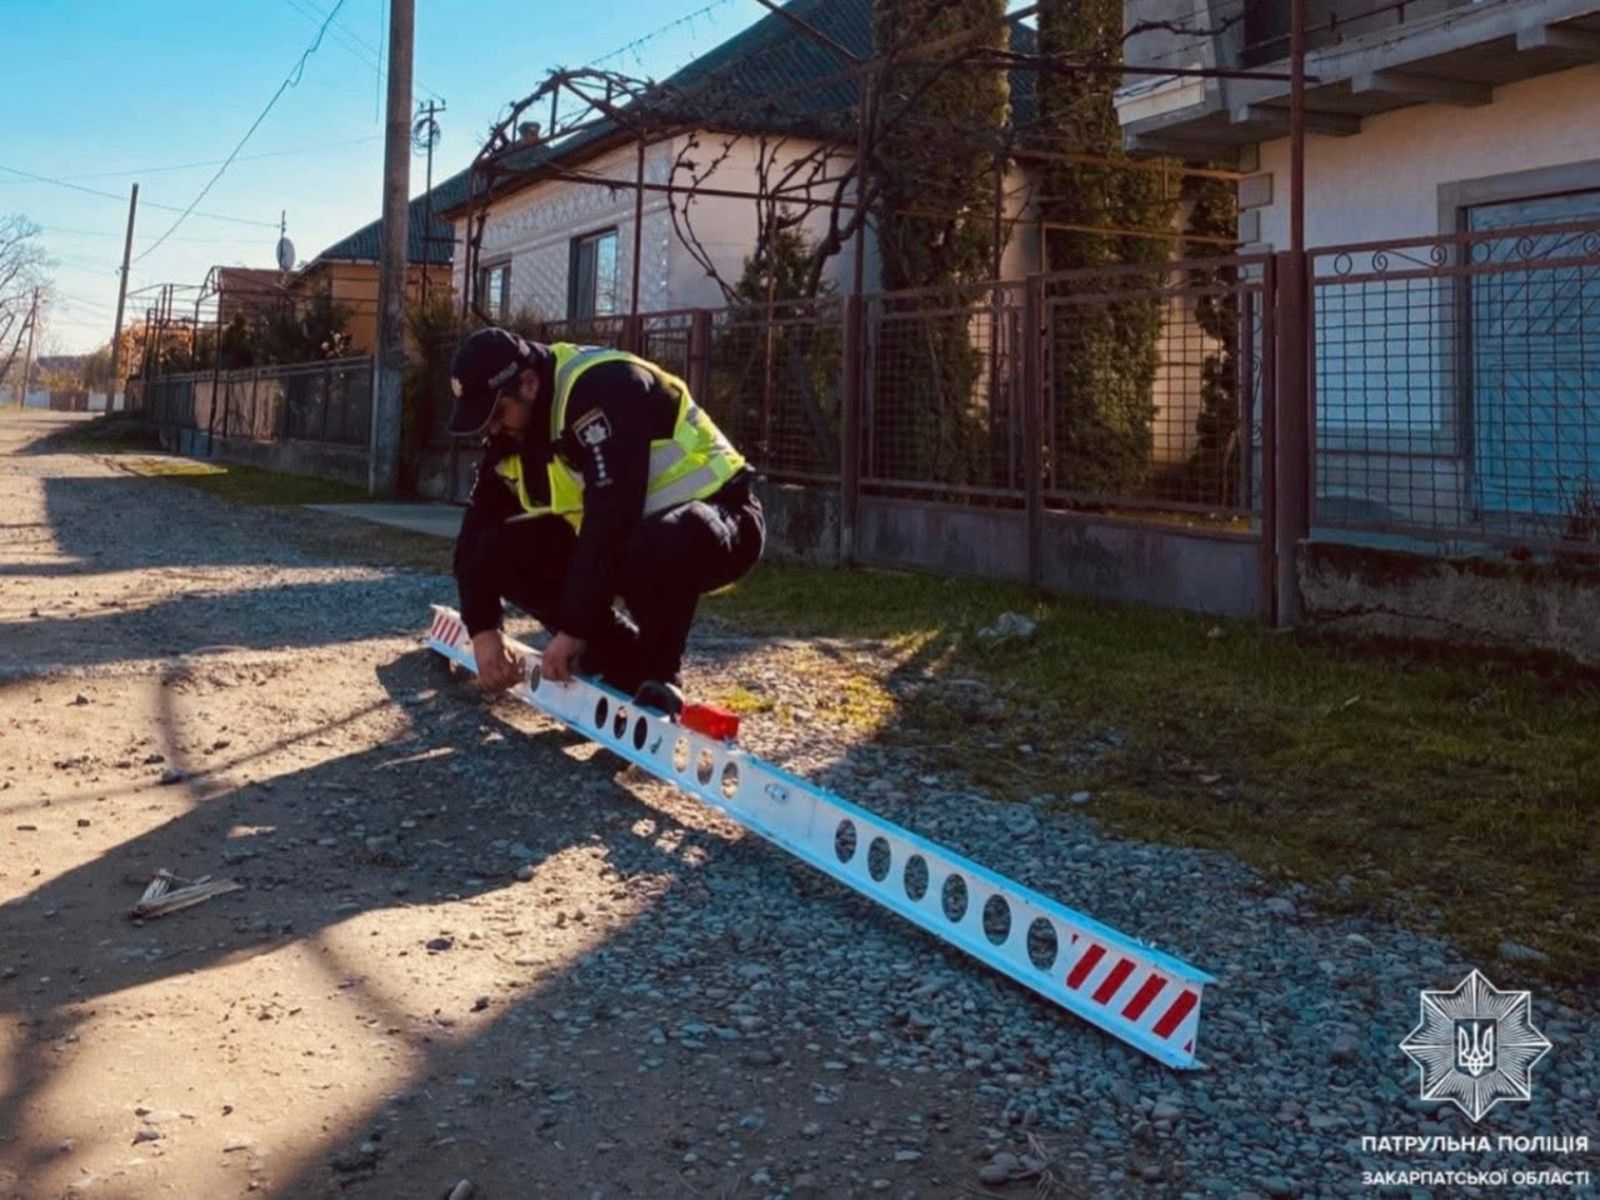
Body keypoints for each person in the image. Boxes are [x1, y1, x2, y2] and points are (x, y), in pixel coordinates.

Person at [446, 327, 764, 714]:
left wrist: (572, 629)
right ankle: (619, 659)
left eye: (496, 414)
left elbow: (612, 516)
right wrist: (483, 629)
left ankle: (659, 675)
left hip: (720, 517)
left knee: (654, 541)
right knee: (502, 548)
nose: (493, 428)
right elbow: (477, 529)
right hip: (633, 536)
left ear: (528, 383)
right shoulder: (515, 431)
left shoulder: (603, 388)